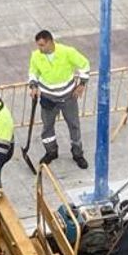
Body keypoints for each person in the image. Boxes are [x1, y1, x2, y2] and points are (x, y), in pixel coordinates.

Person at [28, 29, 90, 168]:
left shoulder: (67, 52)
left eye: (42, 45)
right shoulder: (36, 56)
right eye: (38, 45)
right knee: (47, 127)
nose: (40, 48)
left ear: (50, 42)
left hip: (68, 97)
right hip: (48, 98)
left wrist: (82, 84)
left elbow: (84, 65)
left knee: (74, 125)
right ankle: (51, 152)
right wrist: (33, 86)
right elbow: (33, 72)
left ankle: (77, 154)